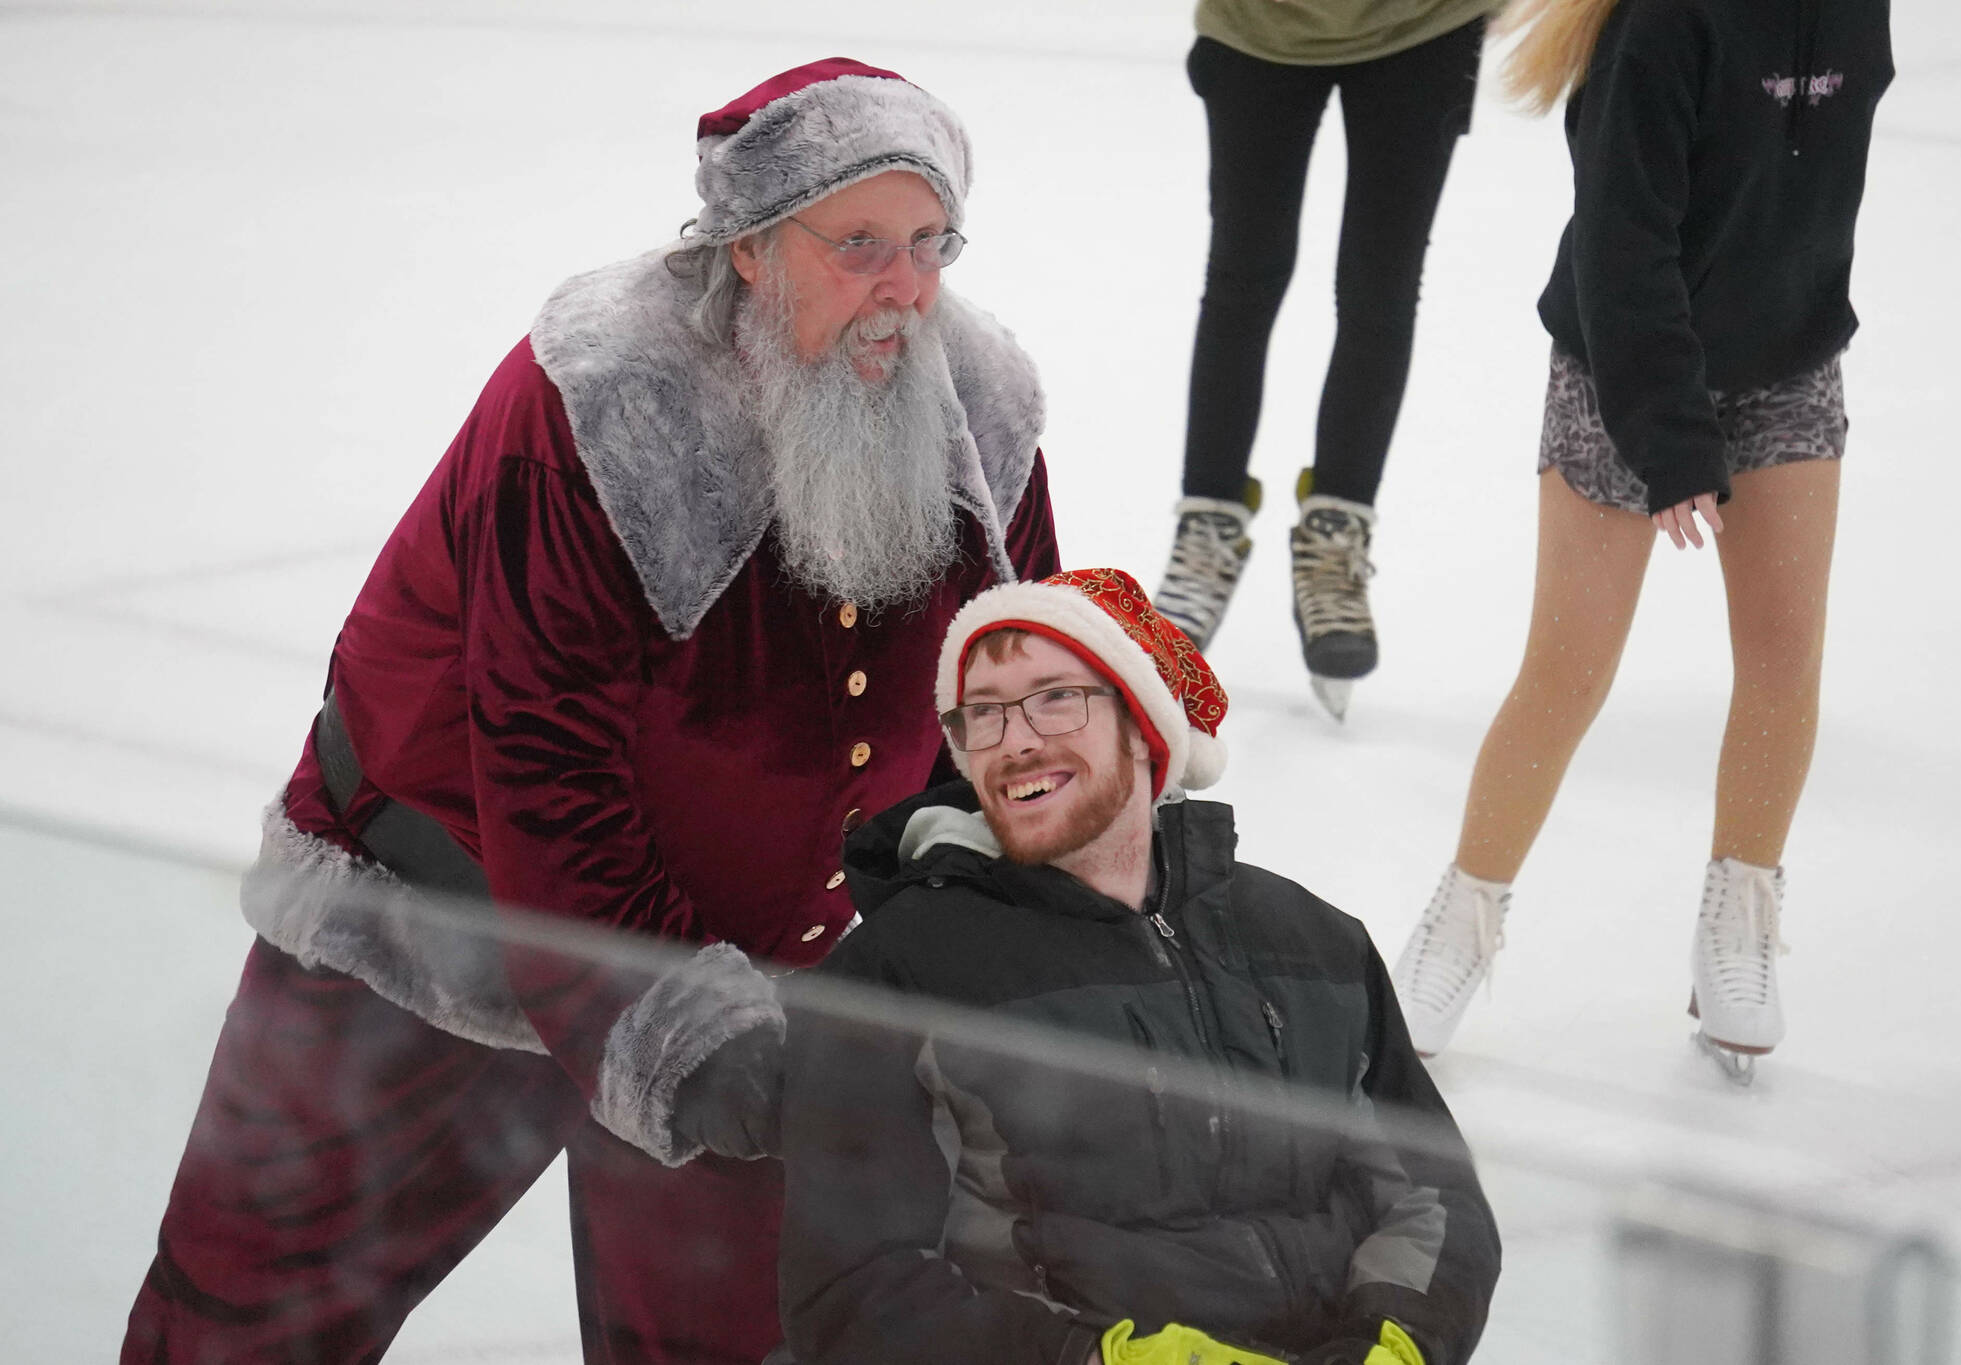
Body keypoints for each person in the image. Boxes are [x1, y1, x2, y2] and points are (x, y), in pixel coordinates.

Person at [124, 57, 1059, 1363]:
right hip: (431, 935)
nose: (903, 284)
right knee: (242, 1323)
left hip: (763, 989)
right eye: (857, 245)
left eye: (928, 242)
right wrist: (687, 1033)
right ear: (749, 246)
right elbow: (544, 766)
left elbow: (1013, 704)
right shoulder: (599, 404)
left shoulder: (980, 407)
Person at [778, 569, 1499, 1365]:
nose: (1015, 739)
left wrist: (1393, 1347)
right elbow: (854, 1295)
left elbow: (1436, 1199)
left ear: (1143, 728)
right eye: (982, 713)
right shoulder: (902, 972)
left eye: (1056, 696)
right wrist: (1107, 1359)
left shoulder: (1314, 944)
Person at [1389, 0, 1892, 1078]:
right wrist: (1671, 439)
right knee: (1567, 670)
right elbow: (1622, 243)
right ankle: (1463, 916)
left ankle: (1737, 917)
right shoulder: (1660, 27)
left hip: (1787, 364)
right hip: (1622, 362)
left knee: (1782, 662)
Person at [1151, 0, 1498, 718]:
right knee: (1242, 281)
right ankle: (1208, 521)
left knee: (1381, 291)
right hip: (1259, 25)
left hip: (1424, 25)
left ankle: (1338, 527)